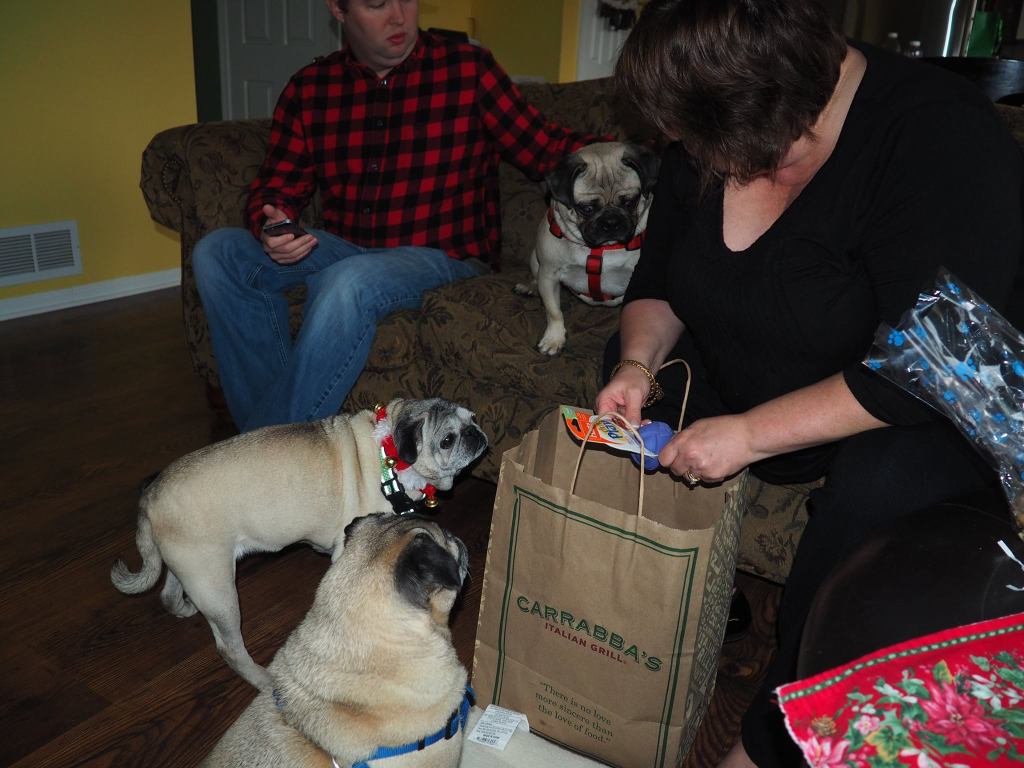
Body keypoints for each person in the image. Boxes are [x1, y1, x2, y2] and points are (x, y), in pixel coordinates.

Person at [593, 1, 1024, 766]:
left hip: (925, 394)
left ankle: (777, 737)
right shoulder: (719, 116)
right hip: (770, 355)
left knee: (878, 493)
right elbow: (657, 284)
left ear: (768, 109)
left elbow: (931, 364)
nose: (687, 154)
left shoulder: (939, 134)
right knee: (634, 378)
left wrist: (749, 435)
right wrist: (635, 366)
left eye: (694, 140)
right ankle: (693, 592)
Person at [193, 0, 595, 431]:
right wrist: (273, 223)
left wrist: (630, 161)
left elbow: (544, 147)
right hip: (350, 249)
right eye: (377, 3)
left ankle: (269, 456)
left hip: (444, 258)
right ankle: (266, 438)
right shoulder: (310, 88)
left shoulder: (467, 70)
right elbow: (278, 184)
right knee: (218, 253)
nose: (399, 16)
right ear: (338, 9)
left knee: (347, 281)